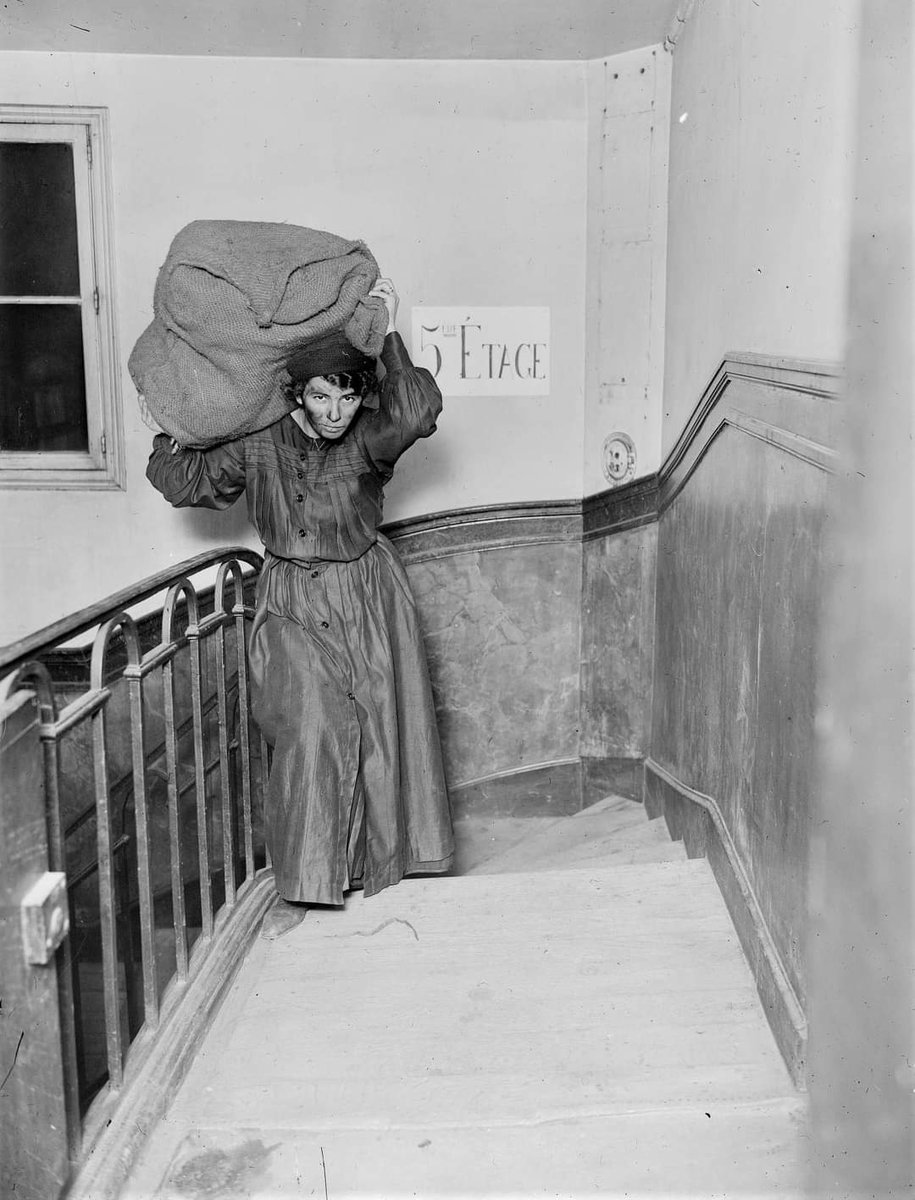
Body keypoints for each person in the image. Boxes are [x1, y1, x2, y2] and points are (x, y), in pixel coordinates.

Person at [147, 278, 454, 938]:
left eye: (347, 393)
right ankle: (314, 877)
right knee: (311, 724)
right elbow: (186, 483)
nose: (336, 409)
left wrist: (390, 332)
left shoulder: (372, 437)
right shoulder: (257, 442)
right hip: (289, 599)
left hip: (368, 596)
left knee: (376, 727)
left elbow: (417, 413)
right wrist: (164, 429)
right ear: (294, 395)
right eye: (321, 395)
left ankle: (372, 864)